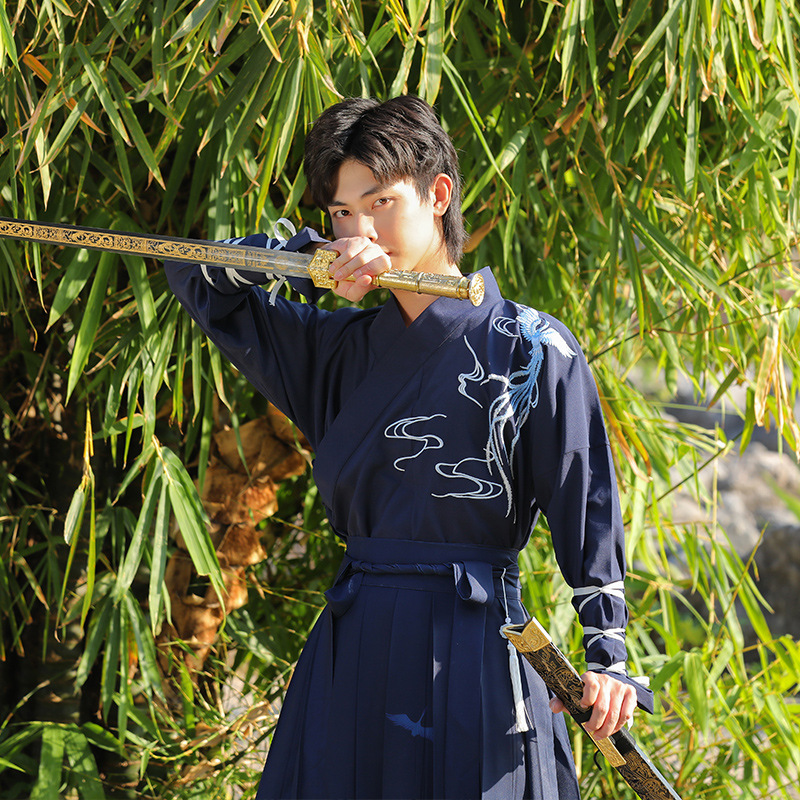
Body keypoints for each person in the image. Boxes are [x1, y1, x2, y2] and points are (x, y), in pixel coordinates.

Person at [165, 95, 653, 799]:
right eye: (342, 213)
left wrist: (607, 657)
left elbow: (588, 505)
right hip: (356, 644)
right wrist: (300, 260)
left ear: (438, 195)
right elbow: (196, 276)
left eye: (381, 203)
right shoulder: (331, 351)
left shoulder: (534, 348)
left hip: (480, 644)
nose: (361, 230)